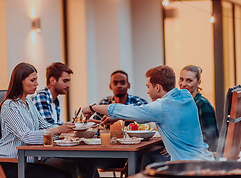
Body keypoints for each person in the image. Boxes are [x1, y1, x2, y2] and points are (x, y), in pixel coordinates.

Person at [82, 65, 214, 169]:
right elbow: (142, 114)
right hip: (205, 160)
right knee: (148, 156)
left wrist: (92, 107)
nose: (147, 91)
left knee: (147, 158)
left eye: (148, 87)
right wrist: (119, 117)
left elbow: (132, 110)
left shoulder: (161, 107)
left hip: (187, 168)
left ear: (157, 87)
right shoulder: (185, 96)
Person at [0, 62, 76, 178]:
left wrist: (67, 130)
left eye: (36, 79)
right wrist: (58, 130)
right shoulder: (9, 106)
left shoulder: (28, 103)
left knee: (68, 174)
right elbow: (27, 136)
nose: (37, 84)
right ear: (20, 81)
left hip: (27, 162)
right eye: (32, 80)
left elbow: (45, 126)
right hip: (8, 165)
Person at [32, 62, 96, 178]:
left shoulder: (55, 101)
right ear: (53, 80)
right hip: (42, 152)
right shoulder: (42, 97)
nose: (68, 85)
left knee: (89, 162)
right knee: (72, 167)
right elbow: (49, 129)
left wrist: (80, 125)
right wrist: (75, 127)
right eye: (65, 81)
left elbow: (58, 126)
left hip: (54, 149)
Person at [90, 70, 147, 178]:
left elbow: (145, 120)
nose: (119, 86)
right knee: (88, 162)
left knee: (141, 160)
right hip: (111, 152)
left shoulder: (139, 102)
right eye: (115, 83)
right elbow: (98, 126)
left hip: (132, 153)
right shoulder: (105, 103)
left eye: (122, 82)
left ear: (128, 85)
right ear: (110, 86)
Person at [179, 65, 219, 152]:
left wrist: (181, 147)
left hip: (199, 154)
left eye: (189, 80)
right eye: (181, 79)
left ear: (198, 82)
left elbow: (208, 138)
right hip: (189, 150)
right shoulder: (186, 103)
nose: (183, 84)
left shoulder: (202, 104)